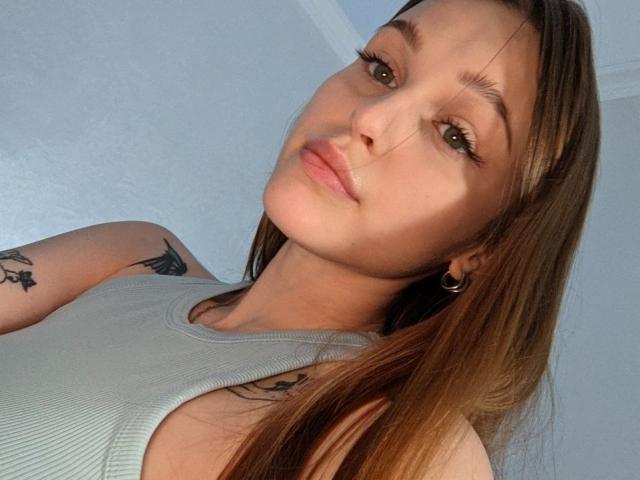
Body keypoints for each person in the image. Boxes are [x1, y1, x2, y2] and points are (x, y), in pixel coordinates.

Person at [0, 0, 600, 478]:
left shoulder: (394, 441)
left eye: (454, 135)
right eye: (382, 68)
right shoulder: (133, 254)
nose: (369, 118)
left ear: (484, 249)